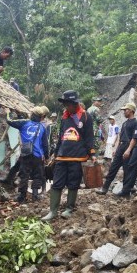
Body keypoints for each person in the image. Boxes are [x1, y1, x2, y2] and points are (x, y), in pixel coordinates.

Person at [42, 90, 95, 221]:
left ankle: (69, 209)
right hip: (62, 155)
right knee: (57, 183)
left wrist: (92, 153)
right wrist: (55, 153)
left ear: (75, 103)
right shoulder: (64, 117)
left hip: (77, 156)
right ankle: (53, 211)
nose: (66, 107)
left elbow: (89, 136)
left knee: (73, 183)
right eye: (65, 104)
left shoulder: (86, 116)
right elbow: (61, 137)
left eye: (68, 104)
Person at [6, 106, 50, 202]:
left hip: (26, 154)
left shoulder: (24, 123)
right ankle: (35, 196)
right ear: (40, 116)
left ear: (32, 114)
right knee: (38, 175)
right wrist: (46, 157)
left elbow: (9, 121)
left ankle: (22, 197)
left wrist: (8, 113)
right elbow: (45, 145)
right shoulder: (42, 127)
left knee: (24, 175)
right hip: (38, 156)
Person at [97, 103, 137, 195]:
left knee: (127, 169)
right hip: (121, 147)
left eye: (126, 110)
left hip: (128, 147)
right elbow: (120, 137)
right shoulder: (124, 123)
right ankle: (105, 188)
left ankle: (125, 191)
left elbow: (134, 138)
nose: (124, 112)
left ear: (131, 111)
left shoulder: (136, 123)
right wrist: (116, 148)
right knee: (113, 167)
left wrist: (128, 150)